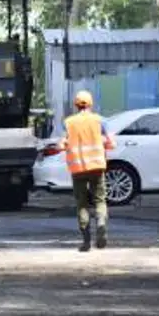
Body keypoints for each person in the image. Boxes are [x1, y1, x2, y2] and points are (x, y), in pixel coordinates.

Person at [57, 90, 115, 252]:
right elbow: (112, 143)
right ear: (90, 104)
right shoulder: (101, 121)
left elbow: (62, 144)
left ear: (76, 105)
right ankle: (101, 224)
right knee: (100, 200)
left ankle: (86, 242)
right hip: (97, 167)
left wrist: (65, 146)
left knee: (82, 204)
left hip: (78, 169)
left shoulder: (68, 122)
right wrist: (103, 144)